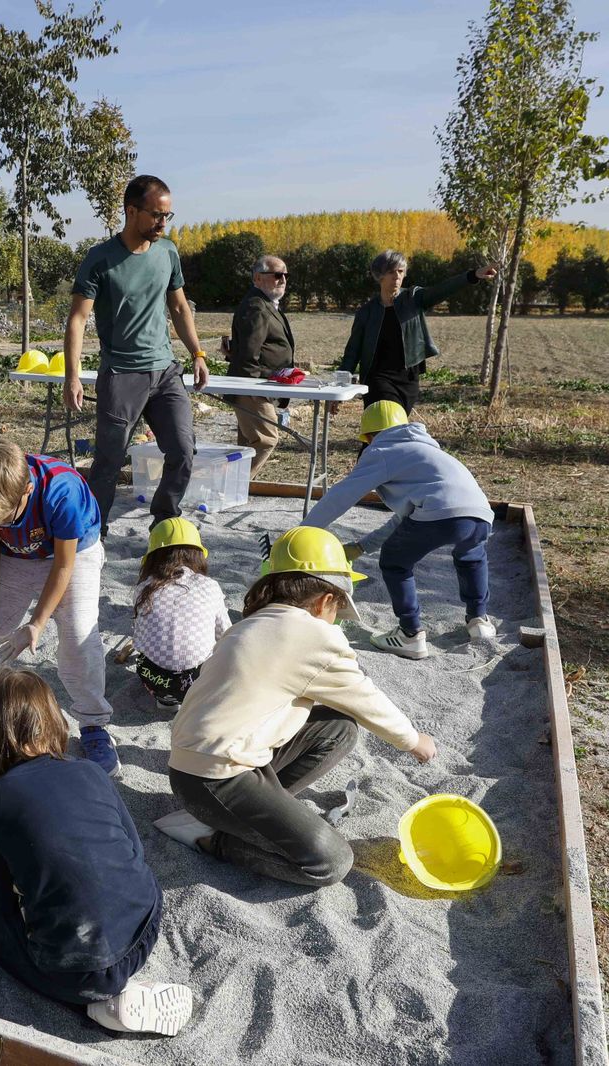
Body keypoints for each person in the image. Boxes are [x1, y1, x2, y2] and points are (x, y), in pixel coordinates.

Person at [165, 527, 436, 888]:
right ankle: (214, 839)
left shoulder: (253, 623)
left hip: (202, 763)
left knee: (338, 727)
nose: (336, 618)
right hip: (214, 780)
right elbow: (366, 698)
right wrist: (413, 740)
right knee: (331, 862)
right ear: (325, 601)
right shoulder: (314, 636)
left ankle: (263, 812)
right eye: (338, 609)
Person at [0, 668, 194, 1036]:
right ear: (54, 720)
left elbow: (2, 906)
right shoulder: (91, 770)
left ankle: (96, 1006)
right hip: (147, 923)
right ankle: (114, 989)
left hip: (79, 967)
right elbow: (134, 848)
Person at [0, 439, 119, 774]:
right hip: (14, 552)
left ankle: (94, 723)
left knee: (77, 633)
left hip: (73, 552)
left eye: (1, 517)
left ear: (27, 489)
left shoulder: (63, 491)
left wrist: (37, 623)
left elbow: (63, 566)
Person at [64, 174, 208, 531]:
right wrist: (72, 376)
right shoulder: (100, 259)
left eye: (167, 215)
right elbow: (78, 320)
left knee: (183, 451)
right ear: (131, 211)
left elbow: (178, 308)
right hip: (121, 376)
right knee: (109, 462)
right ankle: (93, 533)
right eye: (156, 214)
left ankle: (164, 520)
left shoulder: (168, 252)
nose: (163, 222)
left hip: (165, 373)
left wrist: (198, 353)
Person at [300, 401, 497, 658]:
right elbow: (409, 519)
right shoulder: (427, 452)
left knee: (395, 561)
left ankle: (410, 635)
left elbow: (342, 495)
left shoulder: (382, 450)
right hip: (480, 514)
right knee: (471, 558)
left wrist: (304, 531)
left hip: (438, 514)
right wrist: (361, 547)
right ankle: (479, 621)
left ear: (370, 435)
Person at [339, 251, 498, 414]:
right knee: (384, 418)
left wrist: (473, 275)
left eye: (400, 271)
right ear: (380, 275)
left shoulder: (413, 298)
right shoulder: (367, 311)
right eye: (391, 271)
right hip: (377, 378)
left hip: (407, 378)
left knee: (396, 428)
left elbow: (442, 289)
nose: (397, 276)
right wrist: (338, 391)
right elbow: (352, 351)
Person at [131, 518, 231, 712]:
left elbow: (139, 639)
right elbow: (226, 635)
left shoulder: (143, 588)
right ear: (198, 555)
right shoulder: (209, 585)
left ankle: (166, 698)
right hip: (199, 682)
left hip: (154, 680)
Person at [227, 255, 296, 478]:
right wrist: (254, 391)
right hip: (253, 387)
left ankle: (233, 490)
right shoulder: (257, 306)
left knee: (248, 445)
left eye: (285, 275)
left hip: (257, 386)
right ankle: (231, 485)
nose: (283, 279)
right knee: (266, 440)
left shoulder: (265, 303)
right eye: (277, 275)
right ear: (258, 278)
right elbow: (248, 354)